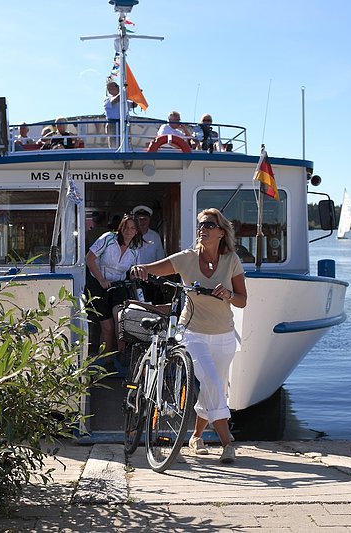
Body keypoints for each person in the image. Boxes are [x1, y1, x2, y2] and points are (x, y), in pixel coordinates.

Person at [130, 207, 247, 464]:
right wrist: (141, 269)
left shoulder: (231, 260)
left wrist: (228, 294)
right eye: (201, 225)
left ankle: (196, 437)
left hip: (224, 335)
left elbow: (242, 300)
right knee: (213, 384)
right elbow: (153, 268)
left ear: (221, 232)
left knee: (213, 385)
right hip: (192, 332)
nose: (202, 229)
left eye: (208, 225)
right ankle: (228, 444)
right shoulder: (187, 258)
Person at [85, 214, 143, 354]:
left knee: (120, 324)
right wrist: (101, 280)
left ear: (136, 231)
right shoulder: (108, 238)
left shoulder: (135, 250)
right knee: (107, 328)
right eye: (126, 227)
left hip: (118, 287)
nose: (128, 231)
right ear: (120, 227)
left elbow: (135, 272)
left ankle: (122, 358)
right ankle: (105, 363)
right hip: (98, 285)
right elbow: (89, 259)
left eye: (132, 228)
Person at [103, 80, 137, 148]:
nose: (110, 89)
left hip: (124, 123)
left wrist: (136, 96)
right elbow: (115, 100)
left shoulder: (124, 100)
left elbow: (134, 105)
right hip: (113, 123)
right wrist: (125, 92)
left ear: (118, 87)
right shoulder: (107, 99)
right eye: (109, 88)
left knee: (125, 141)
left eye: (112, 87)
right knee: (114, 143)